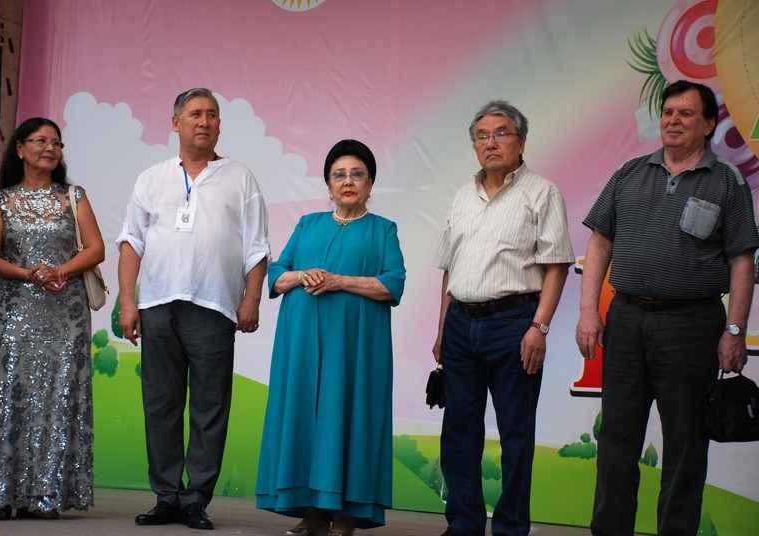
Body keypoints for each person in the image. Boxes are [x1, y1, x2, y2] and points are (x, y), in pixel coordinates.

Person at [576, 80, 759, 536]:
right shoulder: (630, 173)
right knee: (615, 437)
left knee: (685, 442)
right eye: (668, 112)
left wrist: (735, 330)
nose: (673, 120)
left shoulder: (727, 182)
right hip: (626, 320)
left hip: (691, 325)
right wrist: (588, 312)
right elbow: (599, 242)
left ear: (709, 124)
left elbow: (742, 260)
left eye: (686, 113)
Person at [117, 87, 270, 531]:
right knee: (160, 404)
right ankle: (166, 496)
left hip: (214, 305)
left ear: (220, 124)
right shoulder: (151, 177)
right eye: (196, 113)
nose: (205, 121)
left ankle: (196, 499)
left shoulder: (240, 177)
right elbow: (131, 241)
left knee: (210, 406)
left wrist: (251, 299)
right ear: (176, 122)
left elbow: (257, 246)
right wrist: (129, 302)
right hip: (158, 305)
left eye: (212, 115)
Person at [432, 100, 574, 536]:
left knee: (515, 433)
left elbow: (556, 266)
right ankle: (464, 525)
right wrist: (442, 328)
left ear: (521, 142)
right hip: (461, 325)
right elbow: (449, 268)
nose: (490, 143)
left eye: (501, 133)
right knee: (458, 431)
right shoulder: (463, 195)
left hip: (515, 324)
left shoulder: (542, 192)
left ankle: (511, 528)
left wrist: (539, 327)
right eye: (482, 136)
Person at [256, 139, 406, 536]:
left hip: (356, 347)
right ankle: (312, 514)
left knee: (348, 416)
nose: (348, 181)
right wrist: (302, 275)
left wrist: (339, 281)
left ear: (370, 184)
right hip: (302, 343)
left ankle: (344, 516)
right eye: (339, 175)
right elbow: (277, 275)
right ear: (328, 184)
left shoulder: (383, 230)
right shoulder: (308, 224)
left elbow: (391, 285)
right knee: (304, 415)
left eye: (357, 174)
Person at [0, 117, 105, 520]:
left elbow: (95, 249)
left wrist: (60, 271)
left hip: (66, 315)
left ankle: (45, 496)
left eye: (57, 143)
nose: (50, 148)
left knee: (57, 398)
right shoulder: (0, 200)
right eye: (41, 140)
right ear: (20, 148)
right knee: (7, 395)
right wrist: (29, 274)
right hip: (14, 312)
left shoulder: (74, 196)